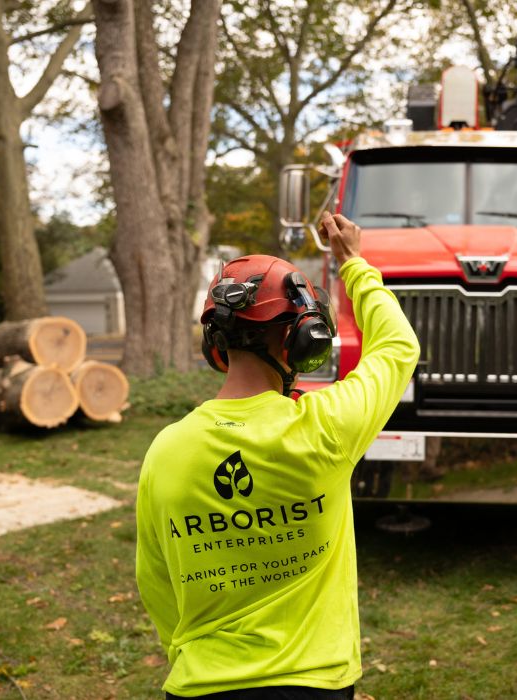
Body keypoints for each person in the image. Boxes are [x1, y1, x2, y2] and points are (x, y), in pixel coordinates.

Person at [135, 212, 420, 699]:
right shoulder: (326, 428)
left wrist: (187, 653)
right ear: (302, 339)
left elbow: (155, 580)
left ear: (215, 345)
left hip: (199, 684)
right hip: (314, 682)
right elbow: (396, 347)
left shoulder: (166, 450)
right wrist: (353, 262)